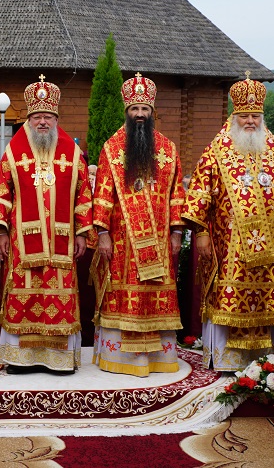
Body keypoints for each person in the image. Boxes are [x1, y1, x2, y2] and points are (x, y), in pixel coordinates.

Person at [182, 74, 274, 371]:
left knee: (270, 302)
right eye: (245, 115)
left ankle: (268, 362)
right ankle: (228, 359)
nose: (251, 121)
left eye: (256, 115)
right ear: (234, 116)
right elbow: (201, 193)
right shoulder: (216, 150)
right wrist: (201, 232)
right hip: (230, 247)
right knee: (229, 298)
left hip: (273, 249)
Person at [0, 75, 93, 374]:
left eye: (48, 116)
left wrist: (82, 232)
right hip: (24, 244)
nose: (43, 122)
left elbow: (83, 195)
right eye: (37, 116)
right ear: (29, 118)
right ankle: (21, 359)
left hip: (62, 241)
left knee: (58, 298)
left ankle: (58, 359)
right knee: (25, 298)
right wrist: (1, 231)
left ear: (56, 118)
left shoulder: (72, 154)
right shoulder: (13, 152)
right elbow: (1, 192)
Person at [91, 74, 184, 377]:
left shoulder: (169, 150)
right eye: (135, 110)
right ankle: (122, 359)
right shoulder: (111, 148)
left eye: (144, 109)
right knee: (125, 296)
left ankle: (158, 357)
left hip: (158, 240)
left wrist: (176, 233)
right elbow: (102, 194)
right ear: (127, 112)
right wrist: (102, 234)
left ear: (152, 111)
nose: (140, 115)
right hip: (122, 243)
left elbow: (176, 197)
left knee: (154, 296)